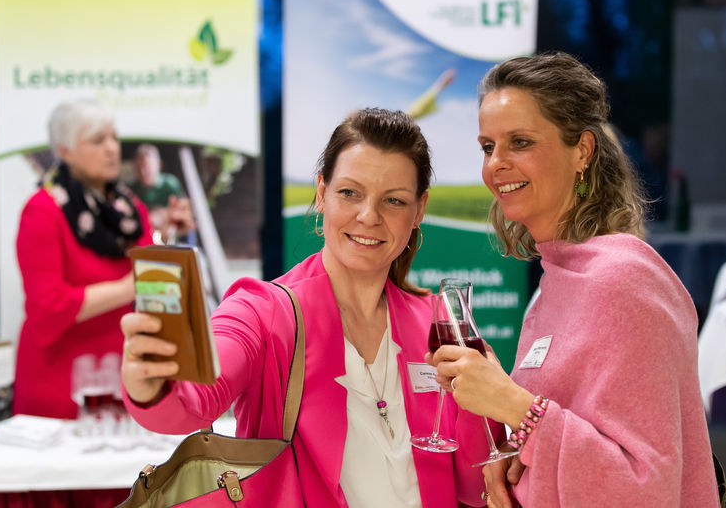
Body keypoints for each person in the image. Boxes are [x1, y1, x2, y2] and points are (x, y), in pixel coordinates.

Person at [120, 108, 492, 507]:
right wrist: (152, 383)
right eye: (350, 193)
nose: (368, 216)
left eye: (394, 201)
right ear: (321, 193)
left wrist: (482, 400)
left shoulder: (437, 321)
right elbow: (194, 400)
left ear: (419, 210)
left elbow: (475, 488)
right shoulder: (262, 312)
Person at [428, 53, 719, 507]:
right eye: (488, 147)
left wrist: (512, 404)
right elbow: (561, 428)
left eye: (519, 142)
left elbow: (646, 484)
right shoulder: (559, 277)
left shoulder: (625, 282)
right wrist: (510, 441)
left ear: (582, 150)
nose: (495, 165)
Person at [13, 98, 153, 420]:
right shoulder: (43, 210)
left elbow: (153, 284)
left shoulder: (130, 209)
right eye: (97, 140)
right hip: (61, 382)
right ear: (64, 151)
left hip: (123, 377)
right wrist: (127, 288)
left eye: (114, 138)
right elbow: (47, 306)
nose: (112, 149)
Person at [127, 143, 196, 244]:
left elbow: (186, 217)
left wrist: (164, 216)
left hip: (169, 240)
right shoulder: (130, 190)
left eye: (146, 167)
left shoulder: (170, 185)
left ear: (158, 164)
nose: (143, 172)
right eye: (139, 168)